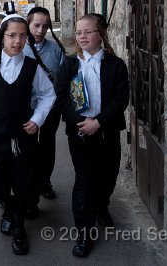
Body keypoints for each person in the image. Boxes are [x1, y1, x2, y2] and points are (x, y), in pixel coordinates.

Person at [0, 14, 55, 255]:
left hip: (22, 140)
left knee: (23, 184)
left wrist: (37, 119)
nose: (17, 41)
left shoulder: (32, 68)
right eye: (11, 35)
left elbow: (48, 95)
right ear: (2, 37)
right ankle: (8, 208)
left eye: (22, 36)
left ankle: (18, 227)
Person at [55, 13, 128, 257]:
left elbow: (120, 99)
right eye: (78, 32)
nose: (82, 36)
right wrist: (81, 122)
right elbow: (62, 99)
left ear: (101, 34)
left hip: (106, 131)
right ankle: (83, 233)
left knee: (108, 176)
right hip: (80, 133)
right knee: (85, 180)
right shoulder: (70, 64)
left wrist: (99, 122)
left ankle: (102, 205)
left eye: (88, 31)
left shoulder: (116, 65)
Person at [23, 6, 66, 218]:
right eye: (36, 25)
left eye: (44, 26)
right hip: (27, 110)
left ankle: (45, 180)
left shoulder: (55, 50)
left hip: (50, 109)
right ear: (28, 25)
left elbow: (61, 78)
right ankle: (30, 192)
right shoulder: (20, 48)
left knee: (47, 146)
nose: (40, 30)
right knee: (29, 149)